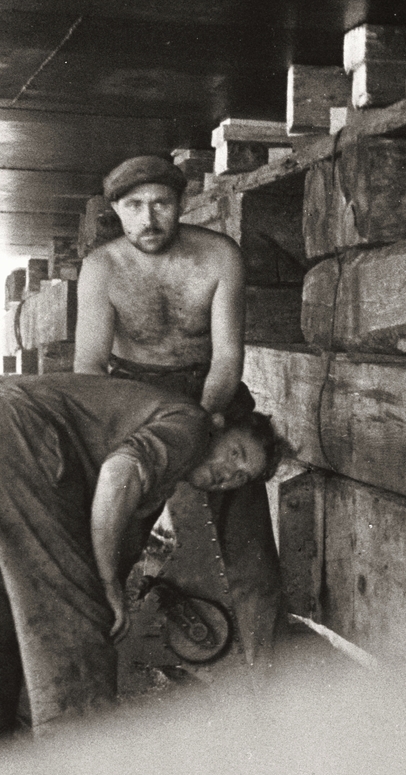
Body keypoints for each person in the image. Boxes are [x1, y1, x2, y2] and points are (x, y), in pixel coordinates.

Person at [0, 373, 281, 737]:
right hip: (15, 436)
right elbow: (118, 473)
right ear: (218, 425)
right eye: (235, 453)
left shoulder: (163, 463)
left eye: (241, 476)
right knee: (77, 624)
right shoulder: (193, 425)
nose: (229, 474)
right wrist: (108, 585)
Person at [73, 154, 282, 665]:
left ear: (181, 204)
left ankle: (268, 685)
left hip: (214, 393)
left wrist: (205, 421)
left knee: (251, 555)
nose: (149, 219)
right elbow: (89, 366)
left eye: (162, 204)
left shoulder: (217, 255)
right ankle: (88, 675)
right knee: (112, 538)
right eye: (135, 206)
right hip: (134, 398)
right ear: (116, 210)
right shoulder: (102, 268)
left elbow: (228, 356)